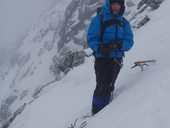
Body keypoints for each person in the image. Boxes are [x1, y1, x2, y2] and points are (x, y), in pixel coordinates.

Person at [87, 0, 134, 115]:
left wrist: (119, 45)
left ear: (121, 6)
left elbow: (129, 41)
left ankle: (106, 110)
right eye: (114, 4)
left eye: (118, 4)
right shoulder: (99, 19)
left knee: (110, 84)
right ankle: (97, 112)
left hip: (117, 59)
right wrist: (100, 48)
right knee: (102, 85)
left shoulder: (124, 22)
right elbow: (92, 38)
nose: (116, 6)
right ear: (109, 4)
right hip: (102, 59)